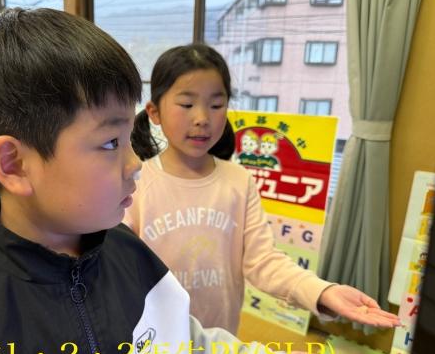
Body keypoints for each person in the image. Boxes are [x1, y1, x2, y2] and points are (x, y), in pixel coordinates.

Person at [0, 9, 348, 354]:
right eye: (109, 143)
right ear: (15, 164)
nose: (134, 163)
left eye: (128, 139)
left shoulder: (130, 253)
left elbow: (187, 350)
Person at [127, 43, 400, 335]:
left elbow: (263, 261)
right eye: (187, 104)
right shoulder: (135, 184)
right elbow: (119, 271)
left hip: (223, 341)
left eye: (216, 105)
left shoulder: (239, 181)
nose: (202, 118)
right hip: (154, 341)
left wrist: (322, 291)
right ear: (154, 112)